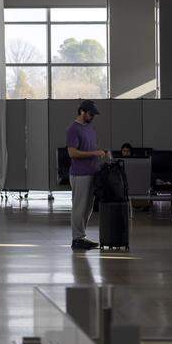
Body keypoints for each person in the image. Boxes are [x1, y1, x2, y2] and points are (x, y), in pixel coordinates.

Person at [66, 99, 108, 251]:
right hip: (80, 174)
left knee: (88, 207)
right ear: (82, 111)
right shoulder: (73, 129)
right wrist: (93, 153)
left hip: (92, 172)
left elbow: (91, 146)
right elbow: (72, 152)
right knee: (79, 207)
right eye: (91, 114)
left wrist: (99, 153)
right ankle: (76, 239)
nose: (93, 117)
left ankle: (81, 236)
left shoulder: (90, 128)